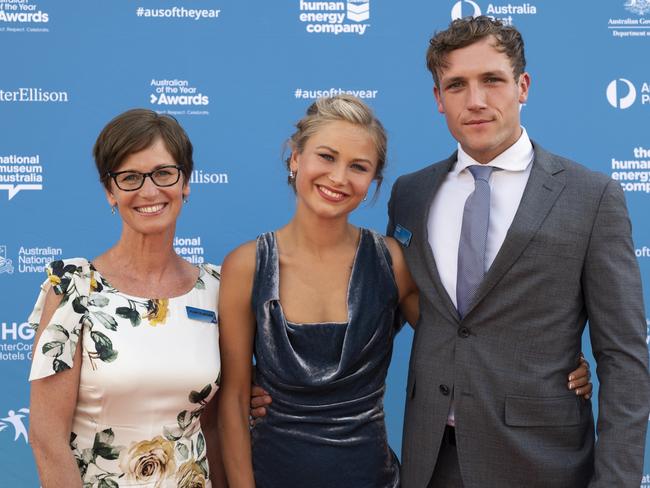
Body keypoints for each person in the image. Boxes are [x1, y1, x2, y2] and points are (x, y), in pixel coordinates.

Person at [221, 94, 593, 488]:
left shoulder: (391, 261)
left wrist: (549, 364)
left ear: (373, 182)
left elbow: (464, 339)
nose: (338, 177)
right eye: (326, 157)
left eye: (358, 167)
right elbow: (232, 399)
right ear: (296, 158)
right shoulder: (246, 265)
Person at [385, 16, 649, 487]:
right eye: (457, 85)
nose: (476, 101)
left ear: (522, 86)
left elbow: (625, 358)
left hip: (544, 463)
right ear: (438, 99)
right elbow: (390, 312)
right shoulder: (411, 193)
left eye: (492, 80)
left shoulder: (592, 196)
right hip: (431, 463)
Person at [28, 109, 225, 488]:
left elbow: (219, 423)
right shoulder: (73, 287)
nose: (149, 191)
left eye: (164, 173)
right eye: (130, 177)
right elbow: (47, 439)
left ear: (186, 182)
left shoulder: (217, 288)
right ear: (110, 191)